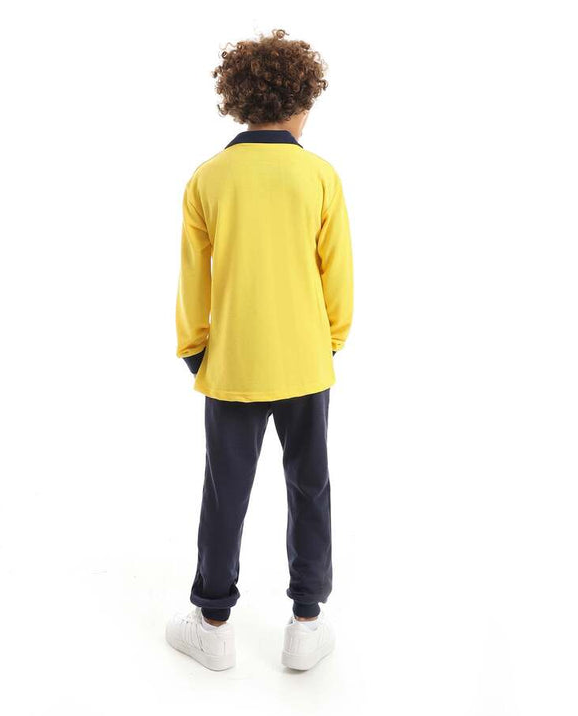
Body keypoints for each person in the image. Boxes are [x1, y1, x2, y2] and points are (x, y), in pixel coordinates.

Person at [166, 29, 353, 672]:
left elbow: (193, 279)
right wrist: (324, 344)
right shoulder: (319, 175)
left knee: (225, 492)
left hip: (233, 364)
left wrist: (197, 351)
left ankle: (213, 623)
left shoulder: (209, 178)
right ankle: (307, 621)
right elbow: (337, 278)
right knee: (311, 486)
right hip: (306, 362)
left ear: (239, 100)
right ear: (303, 101)